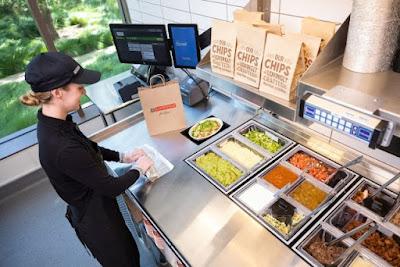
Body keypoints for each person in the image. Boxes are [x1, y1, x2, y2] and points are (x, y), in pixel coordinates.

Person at [20, 52, 153, 267]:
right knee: (126, 259)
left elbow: (89, 148)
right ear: (57, 93)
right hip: (98, 220)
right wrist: (139, 168)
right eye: (79, 87)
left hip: (98, 201)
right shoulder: (61, 147)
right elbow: (112, 188)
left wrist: (123, 156)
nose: (83, 92)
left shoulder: (55, 122)